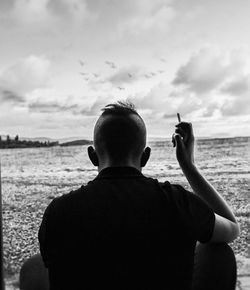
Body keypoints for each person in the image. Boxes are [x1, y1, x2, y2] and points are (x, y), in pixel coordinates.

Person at [20, 101, 239, 290]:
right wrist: (189, 166)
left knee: (34, 267)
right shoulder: (176, 201)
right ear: (145, 157)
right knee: (219, 253)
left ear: (92, 156)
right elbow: (231, 227)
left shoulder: (60, 211)